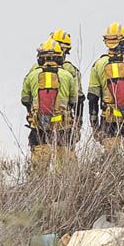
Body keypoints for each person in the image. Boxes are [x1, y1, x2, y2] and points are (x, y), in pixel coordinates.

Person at [21, 39, 81, 169]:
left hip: (39, 130)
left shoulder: (31, 76)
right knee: (66, 171)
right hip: (63, 129)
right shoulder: (67, 76)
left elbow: (25, 99)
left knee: (39, 172)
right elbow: (74, 101)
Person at [50, 28, 86, 136]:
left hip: (40, 125)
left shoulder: (36, 70)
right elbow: (78, 100)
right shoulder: (71, 71)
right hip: (64, 126)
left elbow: (26, 99)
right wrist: (78, 125)